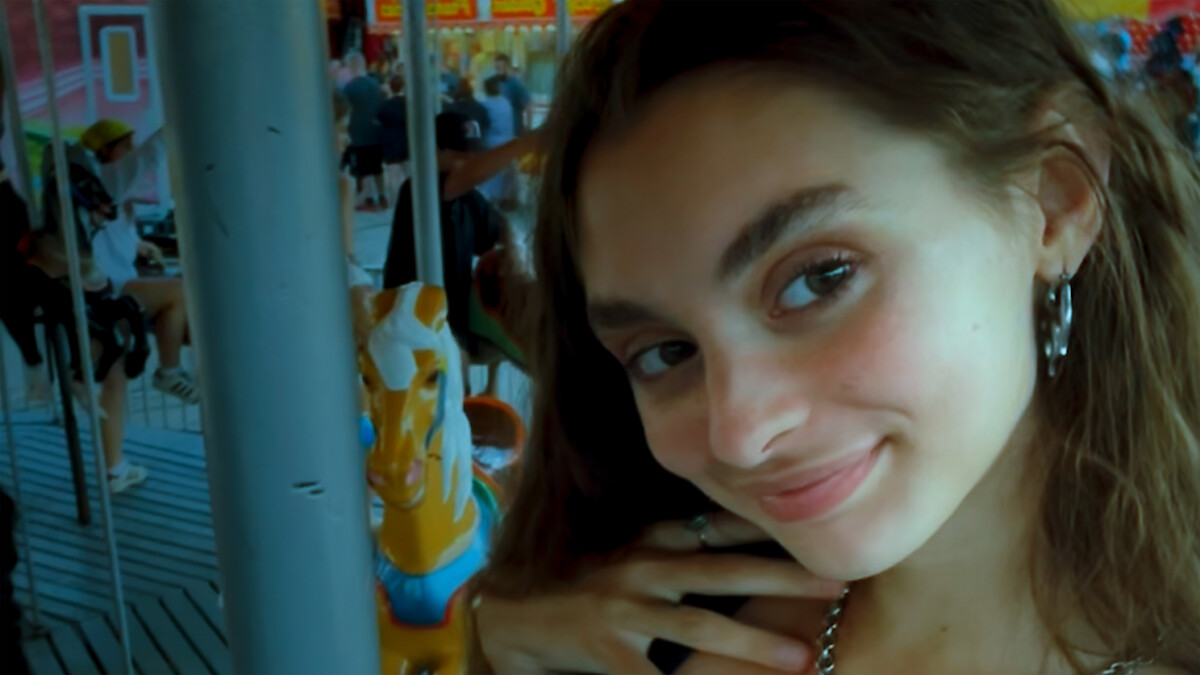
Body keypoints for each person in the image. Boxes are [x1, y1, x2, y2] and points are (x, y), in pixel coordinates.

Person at [471, 2, 1200, 675]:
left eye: (819, 278)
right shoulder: (646, 644)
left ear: (1053, 199)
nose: (740, 433)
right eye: (666, 352)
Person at [382, 112, 538, 358]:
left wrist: (512, 252)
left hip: (450, 318)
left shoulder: (470, 199)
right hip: (409, 322)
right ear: (434, 152)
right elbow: (459, 181)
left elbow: (497, 229)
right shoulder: (418, 189)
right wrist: (525, 144)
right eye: (458, 156)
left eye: (473, 157)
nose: (466, 164)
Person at [78, 119, 200, 404]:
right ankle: (168, 372)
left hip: (114, 283)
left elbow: (116, 237)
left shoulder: (109, 191)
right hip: (109, 289)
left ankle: (181, 372)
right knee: (179, 291)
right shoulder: (106, 179)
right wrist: (172, 126)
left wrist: (139, 245)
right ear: (106, 151)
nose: (133, 152)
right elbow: (146, 157)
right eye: (126, 147)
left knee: (185, 313)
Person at [342, 52, 388, 212]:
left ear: (352, 66)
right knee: (377, 167)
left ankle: (369, 199)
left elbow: (344, 111)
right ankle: (383, 196)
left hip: (358, 134)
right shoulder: (375, 84)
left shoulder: (349, 88)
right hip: (376, 132)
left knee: (364, 169)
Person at [479, 76, 517, 207]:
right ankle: (507, 199)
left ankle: (491, 200)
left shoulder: (485, 104)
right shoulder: (506, 102)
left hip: (492, 141)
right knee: (506, 174)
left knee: (492, 176)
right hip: (507, 140)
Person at [376, 74, 410, 206]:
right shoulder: (409, 104)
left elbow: (378, 120)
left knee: (393, 178)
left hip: (391, 146)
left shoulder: (385, 106)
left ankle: (396, 202)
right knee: (409, 175)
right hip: (407, 144)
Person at [490, 54, 530, 136]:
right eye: (497, 68)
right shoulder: (493, 84)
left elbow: (528, 106)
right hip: (499, 133)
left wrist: (528, 129)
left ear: (507, 67)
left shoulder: (515, 84)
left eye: (502, 67)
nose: (499, 70)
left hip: (514, 131)